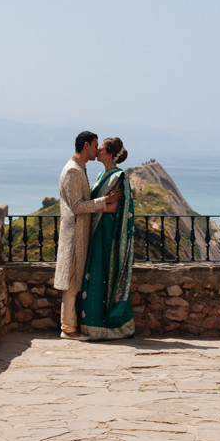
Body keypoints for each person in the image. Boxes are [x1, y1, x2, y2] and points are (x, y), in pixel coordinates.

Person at [54, 131, 120, 340]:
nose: (97, 150)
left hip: (79, 236)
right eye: (94, 146)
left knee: (74, 283)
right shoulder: (73, 171)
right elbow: (76, 206)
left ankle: (71, 326)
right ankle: (68, 329)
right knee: (72, 284)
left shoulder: (79, 168)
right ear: (85, 146)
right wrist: (105, 202)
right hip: (75, 236)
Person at [80, 137, 135, 340]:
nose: (97, 152)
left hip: (108, 234)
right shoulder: (102, 174)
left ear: (110, 154)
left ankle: (108, 327)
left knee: (103, 276)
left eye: (101, 149)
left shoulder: (119, 177)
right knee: (94, 276)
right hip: (97, 231)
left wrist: (96, 205)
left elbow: (116, 207)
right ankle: (90, 326)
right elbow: (105, 202)